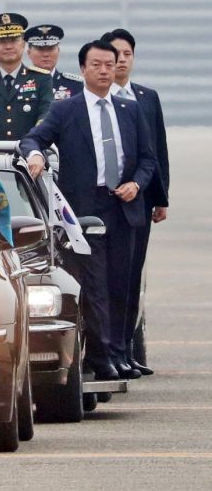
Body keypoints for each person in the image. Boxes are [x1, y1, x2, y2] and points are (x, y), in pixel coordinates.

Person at [21, 40, 157, 381]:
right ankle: (101, 355)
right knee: (94, 284)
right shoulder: (66, 110)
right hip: (84, 209)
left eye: (109, 64)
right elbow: (32, 139)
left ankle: (121, 352)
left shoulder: (129, 109)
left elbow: (148, 159)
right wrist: (35, 155)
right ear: (83, 69)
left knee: (121, 283)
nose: (103, 70)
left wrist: (137, 184)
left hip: (123, 206)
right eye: (96, 64)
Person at [102, 27, 169, 375]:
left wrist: (161, 197)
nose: (122, 60)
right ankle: (109, 351)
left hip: (139, 199)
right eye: (115, 55)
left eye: (127, 54)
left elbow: (157, 151)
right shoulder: (91, 100)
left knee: (131, 276)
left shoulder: (146, 97)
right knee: (107, 278)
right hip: (102, 201)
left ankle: (127, 349)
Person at [0, 13, 53, 144]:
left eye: (14, 40)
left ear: (23, 45)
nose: (8, 46)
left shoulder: (41, 79)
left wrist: (33, 141)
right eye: (2, 41)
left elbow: (46, 113)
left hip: (31, 152)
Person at [24, 24, 84, 100]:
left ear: (58, 51)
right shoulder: (19, 83)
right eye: (40, 49)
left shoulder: (75, 85)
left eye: (50, 49)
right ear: (29, 53)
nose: (46, 54)